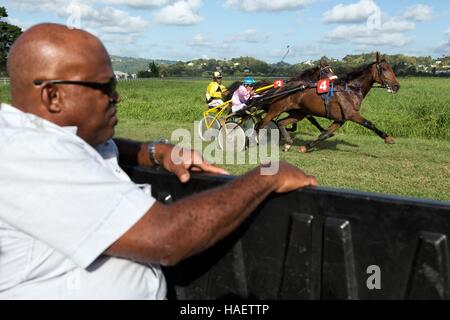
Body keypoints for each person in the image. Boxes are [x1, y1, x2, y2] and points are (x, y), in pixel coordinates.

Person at [0, 23, 317, 299]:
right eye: (105, 87)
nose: (117, 97)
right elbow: (167, 239)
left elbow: (93, 144)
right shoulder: (32, 154)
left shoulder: (39, 133)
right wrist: (265, 176)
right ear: (52, 96)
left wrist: (154, 151)